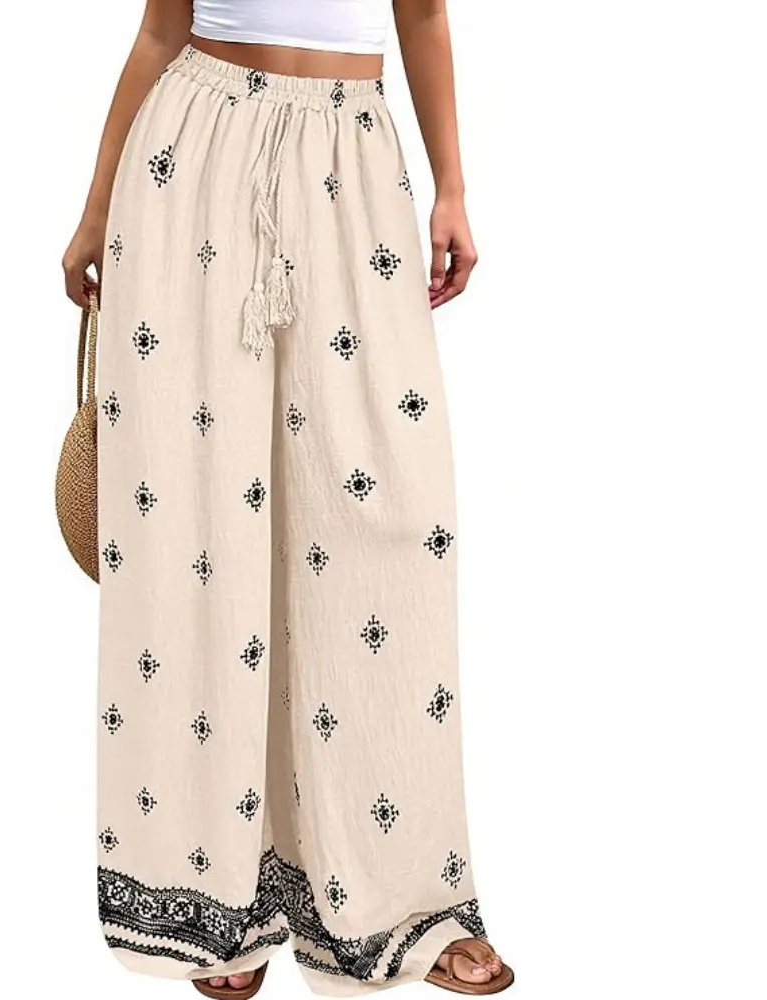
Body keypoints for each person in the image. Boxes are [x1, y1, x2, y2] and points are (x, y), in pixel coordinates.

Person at [62, 2, 512, 996]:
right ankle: (207, 897)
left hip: (352, 157)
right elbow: (161, 31)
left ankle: (403, 898)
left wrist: (452, 187)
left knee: (390, 516)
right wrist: (95, 212)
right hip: (194, 152)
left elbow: (421, 11)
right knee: (200, 529)